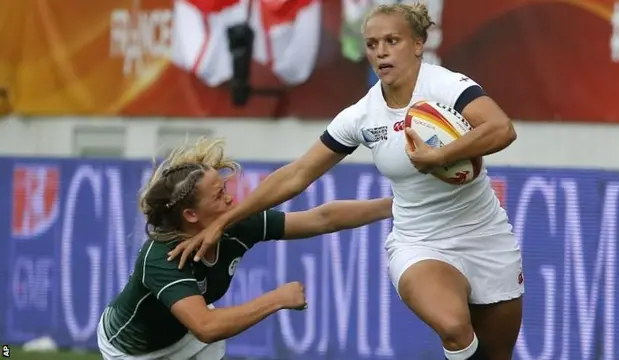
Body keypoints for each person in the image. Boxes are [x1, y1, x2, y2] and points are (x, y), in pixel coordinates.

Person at [169, 2, 523, 360]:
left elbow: (501, 129)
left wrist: (440, 157)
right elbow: (296, 175)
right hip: (419, 241)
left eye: (392, 40)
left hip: (486, 236)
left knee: (496, 354)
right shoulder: (362, 115)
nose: (381, 51)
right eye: (371, 44)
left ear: (418, 44)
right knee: (454, 327)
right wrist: (224, 222)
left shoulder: (447, 85)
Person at [96, 137, 393, 360]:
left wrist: (395, 206)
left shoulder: (235, 225)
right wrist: (276, 299)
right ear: (191, 215)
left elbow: (322, 218)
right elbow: (206, 326)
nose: (230, 199)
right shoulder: (163, 258)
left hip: (187, 336)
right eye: (219, 195)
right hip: (132, 351)